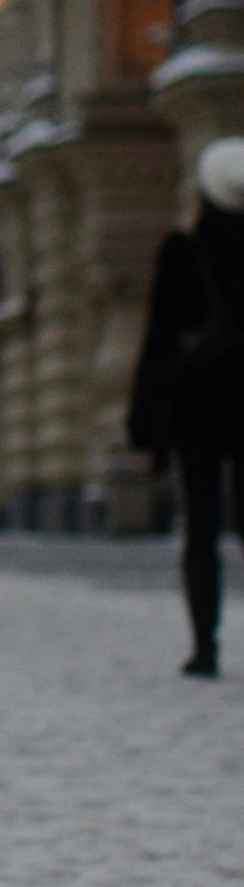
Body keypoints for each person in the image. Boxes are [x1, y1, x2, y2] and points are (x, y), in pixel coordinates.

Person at [128, 139, 244, 676]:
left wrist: (144, 418)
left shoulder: (183, 251)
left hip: (197, 408)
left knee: (200, 530)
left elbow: (159, 339)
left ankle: (206, 647)